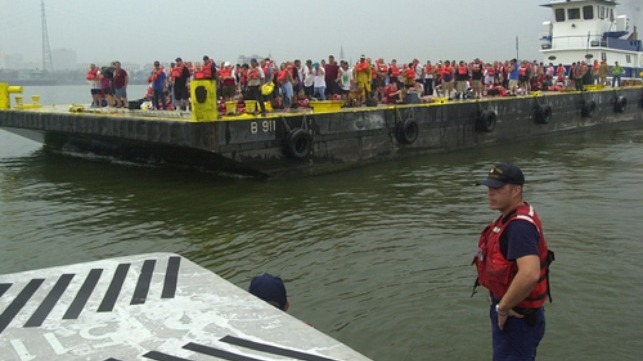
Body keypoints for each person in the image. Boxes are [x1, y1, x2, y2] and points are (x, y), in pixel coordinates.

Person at [472, 162, 553, 361]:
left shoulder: (519, 227)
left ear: (516, 190)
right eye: (489, 188)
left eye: (498, 188)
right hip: (515, 313)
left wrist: (504, 307)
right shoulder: (512, 217)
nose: (491, 193)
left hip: (517, 319)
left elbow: (529, 274)